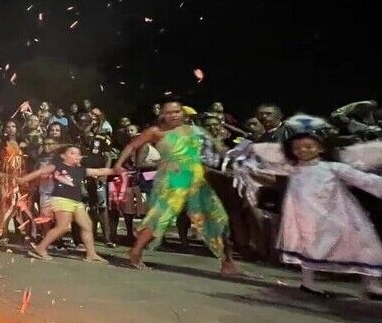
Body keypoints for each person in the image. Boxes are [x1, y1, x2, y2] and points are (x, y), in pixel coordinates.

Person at [239, 115, 382, 298]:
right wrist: (248, 163)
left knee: (362, 245)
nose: (303, 151)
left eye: (308, 147)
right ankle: (308, 283)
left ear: (320, 148)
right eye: (297, 148)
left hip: (336, 215)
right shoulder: (293, 169)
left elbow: (363, 180)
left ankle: (372, 284)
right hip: (306, 217)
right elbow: (265, 166)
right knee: (308, 248)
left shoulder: (332, 168)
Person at [114, 100, 237, 274]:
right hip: (174, 179)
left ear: (183, 113)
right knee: (159, 217)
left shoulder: (192, 130)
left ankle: (227, 262)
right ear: (162, 115)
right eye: (169, 112)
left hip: (196, 179)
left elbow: (216, 148)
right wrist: (119, 164)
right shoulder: (156, 131)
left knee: (217, 217)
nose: (173, 115)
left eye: (177, 111)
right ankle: (135, 252)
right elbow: (132, 146)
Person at [19, 145, 114, 262]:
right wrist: (24, 179)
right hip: (61, 200)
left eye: (78, 154)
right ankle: (40, 248)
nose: (76, 156)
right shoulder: (57, 166)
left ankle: (91, 254)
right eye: (72, 153)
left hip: (76, 201)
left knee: (87, 225)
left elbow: (98, 171)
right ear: (63, 156)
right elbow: (40, 171)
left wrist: (114, 170)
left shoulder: (81, 170)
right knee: (62, 227)